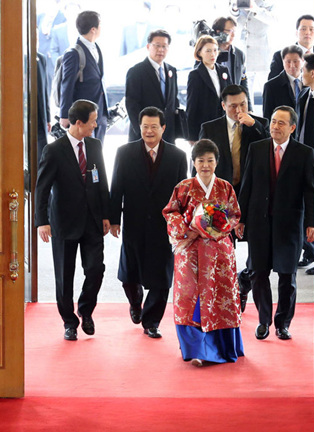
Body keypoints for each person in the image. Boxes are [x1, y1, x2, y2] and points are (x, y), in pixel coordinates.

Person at [236, 106, 314, 341]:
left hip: (289, 225)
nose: (275, 127)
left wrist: (311, 223)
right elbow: (247, 185)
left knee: (287, 276)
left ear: (292, 127)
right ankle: (264, 321)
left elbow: (310, 190)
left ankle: (283, 324)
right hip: (259, 223)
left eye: (281, 123)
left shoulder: (304, 153)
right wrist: (240, 218)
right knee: (258, 273)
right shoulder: (257, 148)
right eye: (273, 121)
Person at [163, 139, 243, 366]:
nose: (205, 165)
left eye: (210, 160)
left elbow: (234, 215)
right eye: (201, 161)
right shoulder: (184, 187)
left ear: (217, 162)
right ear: (194, 162)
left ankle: (221, 348)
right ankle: (197, 350)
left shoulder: (225, 187)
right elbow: (170, 212)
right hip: (190, 252)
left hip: (218, 252)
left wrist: (214, 226)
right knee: (191, 298)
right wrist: (186, 229)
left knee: (220, 298)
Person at [35, 100, 110, 341]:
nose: (95, 125)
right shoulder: (54, 150)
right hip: (64, 222)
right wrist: (42, 221)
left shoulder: (95, 145)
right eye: (92, 121)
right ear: (79, 123)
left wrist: (106, 215)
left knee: (96, 269)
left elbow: (102, 181)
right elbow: (42, 188)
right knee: (64, 276)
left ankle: (85, 311)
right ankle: (69, 322)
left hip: (92, 220)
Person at [109, 107, 187, 339]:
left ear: (163, 128)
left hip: (165, 226)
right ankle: (135, 302)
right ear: (139, 127)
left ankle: (152, 321)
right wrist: (114, 220)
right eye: (145, 127)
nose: (149, 131)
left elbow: (182, 195)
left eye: (154, 127)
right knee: (129, 273)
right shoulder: (124, 153)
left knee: (162, 276)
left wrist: (182, 224)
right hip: (134, 221)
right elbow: (116, 187)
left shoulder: (177, 156)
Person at [199, 84, 270, 312]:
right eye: (233, 106)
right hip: (219, 199)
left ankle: (244, 282)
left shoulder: (260, 125)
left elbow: (272, 150)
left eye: (243, 104)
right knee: (219, 252)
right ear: (223, 106)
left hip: (252, 198)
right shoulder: (209, 128)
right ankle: (224, 299)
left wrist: (254, 126)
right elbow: (200, 164)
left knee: (258, 256)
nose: (239, 110)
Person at [59, 11, 108, 144]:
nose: (101, 28)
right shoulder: (74, 53)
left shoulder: (96, 47)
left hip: (100, 112)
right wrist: (64, 114)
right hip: (83, 114)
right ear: (93, 29)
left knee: (98, 150)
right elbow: (67, 84)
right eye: (100, 25)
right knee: (85, 150)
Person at [125, 30, 179, 144]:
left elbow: (173, 101)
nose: (161, 50)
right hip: (145, 133)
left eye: (164, 46)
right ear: (148, 46)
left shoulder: (172, 70)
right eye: (157, 45)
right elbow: (132, 105)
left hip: (167, 134)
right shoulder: (136, 71)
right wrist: (141, 131)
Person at [186, 35, 230, 143]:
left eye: (215, 50)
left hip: (224, 124)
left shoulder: (223, 70)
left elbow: (230, 94)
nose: (213, 54)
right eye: (208, 51)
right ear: (199, 52)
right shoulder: (195, 75)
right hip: (205, 125)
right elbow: (191, 107)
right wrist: (192, 137)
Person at [297, 52, 314, 275]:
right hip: (302, 158)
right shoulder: (303, 95)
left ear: (313, 73)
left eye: (303, 70)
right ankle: (310, 252)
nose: (301, 74)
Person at [211, 16, 252, 111]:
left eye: (234, 32)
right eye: (229, 31)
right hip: (214, 107)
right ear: (218, 32)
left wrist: (248, 107)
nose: (233, 35)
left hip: (234, 106)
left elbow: (243, 81)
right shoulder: (208, 53)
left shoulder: (239, 54)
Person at [262, 45, 304, 122]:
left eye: (295, 61)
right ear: (282, 61)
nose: (292, 65)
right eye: (288, 62)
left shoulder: (310, 83)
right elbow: (267, 117)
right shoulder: (271, 86)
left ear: (302, 60)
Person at [268, 14, 314, 80]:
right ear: (296, 33)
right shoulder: (280, 56)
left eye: (311, 29)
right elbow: (272, 84)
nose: (307, 32)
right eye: (303, 29)